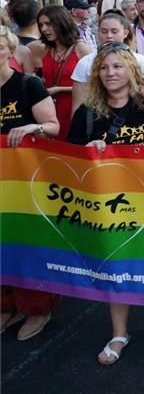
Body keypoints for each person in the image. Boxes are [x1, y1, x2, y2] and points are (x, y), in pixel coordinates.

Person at [65, 43, 144, 364]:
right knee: (116, 264)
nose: (110, 73)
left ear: (131, 70)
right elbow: (71, 161)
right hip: (109, 203)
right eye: (104, 68)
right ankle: (119, 332)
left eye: (117, 67)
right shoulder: (86, 113)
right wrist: (89, 150)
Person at [0, 25, 60, 341]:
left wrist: (31, 128)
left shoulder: (28, 85)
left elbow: (52, 126)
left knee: (26, 244)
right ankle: (5, 306)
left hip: (25, 180)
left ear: (10, 51)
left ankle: (37, 308)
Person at [71, 12, 144, 115]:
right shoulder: (85, 63)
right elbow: (77, 106)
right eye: (104, 31)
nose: (109, 36)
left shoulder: (140, 61)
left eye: (114, 31)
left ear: (125, 33)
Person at [31, 6, 91, 140]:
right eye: (41, 25)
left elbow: (94, 85)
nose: (44, 29)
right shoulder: (44, 49)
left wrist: (60, 89)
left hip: (73, 108)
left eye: (48, 24)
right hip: (49, 109)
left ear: (61, 22)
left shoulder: (81, 48)